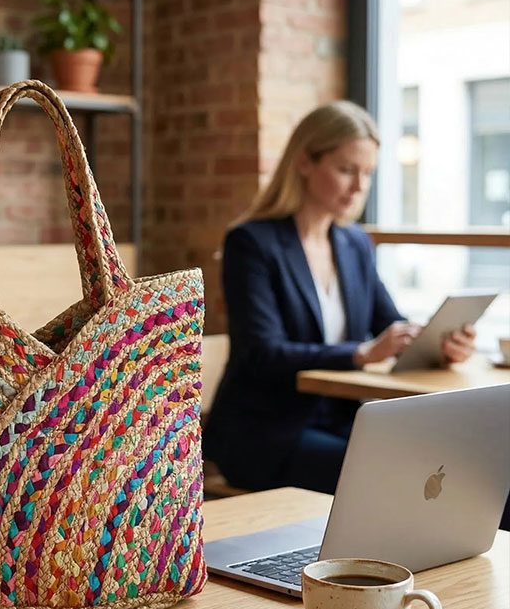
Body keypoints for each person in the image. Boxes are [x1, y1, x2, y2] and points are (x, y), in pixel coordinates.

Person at [203, 101, 476, 495]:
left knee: (464, 466)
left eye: (367, 173)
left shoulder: (353, 243)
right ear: (304, 163)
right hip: (266, 433)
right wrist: (361, 354)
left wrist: (439, 344)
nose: (359, 186)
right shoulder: (252, 243)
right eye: (347, 170)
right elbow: (263, 353)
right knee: (405, 477)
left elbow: (391, 325)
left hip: (341, 421)